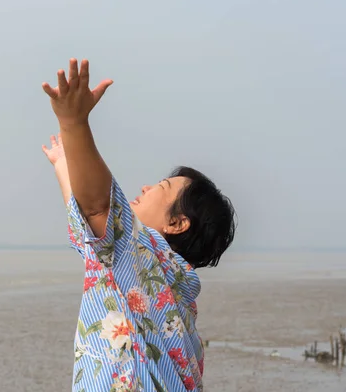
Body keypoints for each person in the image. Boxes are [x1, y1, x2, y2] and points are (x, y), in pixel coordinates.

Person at [41, 58, 236, 392]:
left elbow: (97, 206)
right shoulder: (174, 288)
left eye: (160, 187)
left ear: (176, 223)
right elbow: (88, 220)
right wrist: (64, 163)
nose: (145, 188)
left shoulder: (143, 253)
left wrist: (73, 123)